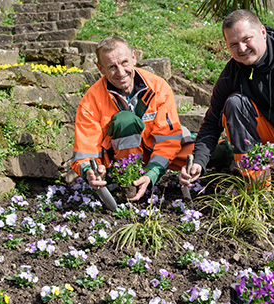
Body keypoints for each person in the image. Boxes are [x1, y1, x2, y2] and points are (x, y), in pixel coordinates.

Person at [179, 9, 274, 202]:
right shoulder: (232, 72)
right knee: (235, 103)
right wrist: (199, 162)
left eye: (247, 39)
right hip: (262, 133)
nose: (242, 48)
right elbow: (212, 122)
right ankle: (255, 184)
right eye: (234, 44)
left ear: (263, 32)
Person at [71, 36, 195, 201]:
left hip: (155, 154)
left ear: (134, 57)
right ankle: (128, 185)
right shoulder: (90, 101)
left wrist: (152, 174)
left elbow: (168, 140)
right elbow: (84, 154)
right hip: (117, 167)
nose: (121, 72)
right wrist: (90, 172)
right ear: (100, 68)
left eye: (124, 63)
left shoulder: (159, 87)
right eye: (112, 67)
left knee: (212, 152)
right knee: (125, 120)